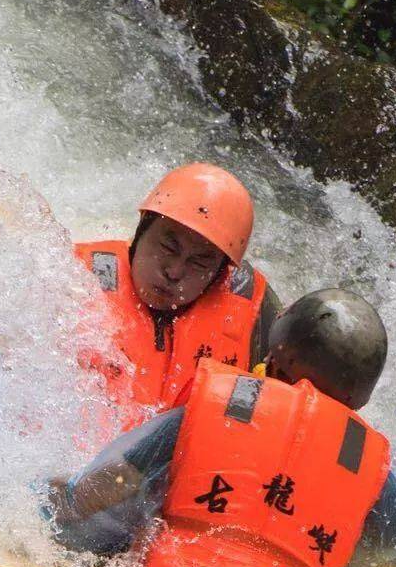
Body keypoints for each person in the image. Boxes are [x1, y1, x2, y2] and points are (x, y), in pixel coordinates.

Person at [48, 288, 396, 567]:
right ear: (358, 404)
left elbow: (113, 483)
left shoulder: (213, 408)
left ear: (274, 358)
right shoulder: (361, 461)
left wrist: (58, 506)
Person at [75, 162, 281, 431]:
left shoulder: (259, 319)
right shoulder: (74, 280)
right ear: (141, 231)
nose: (174, 271)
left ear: (219, 274)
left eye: (199, 262)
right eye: (167, 247)